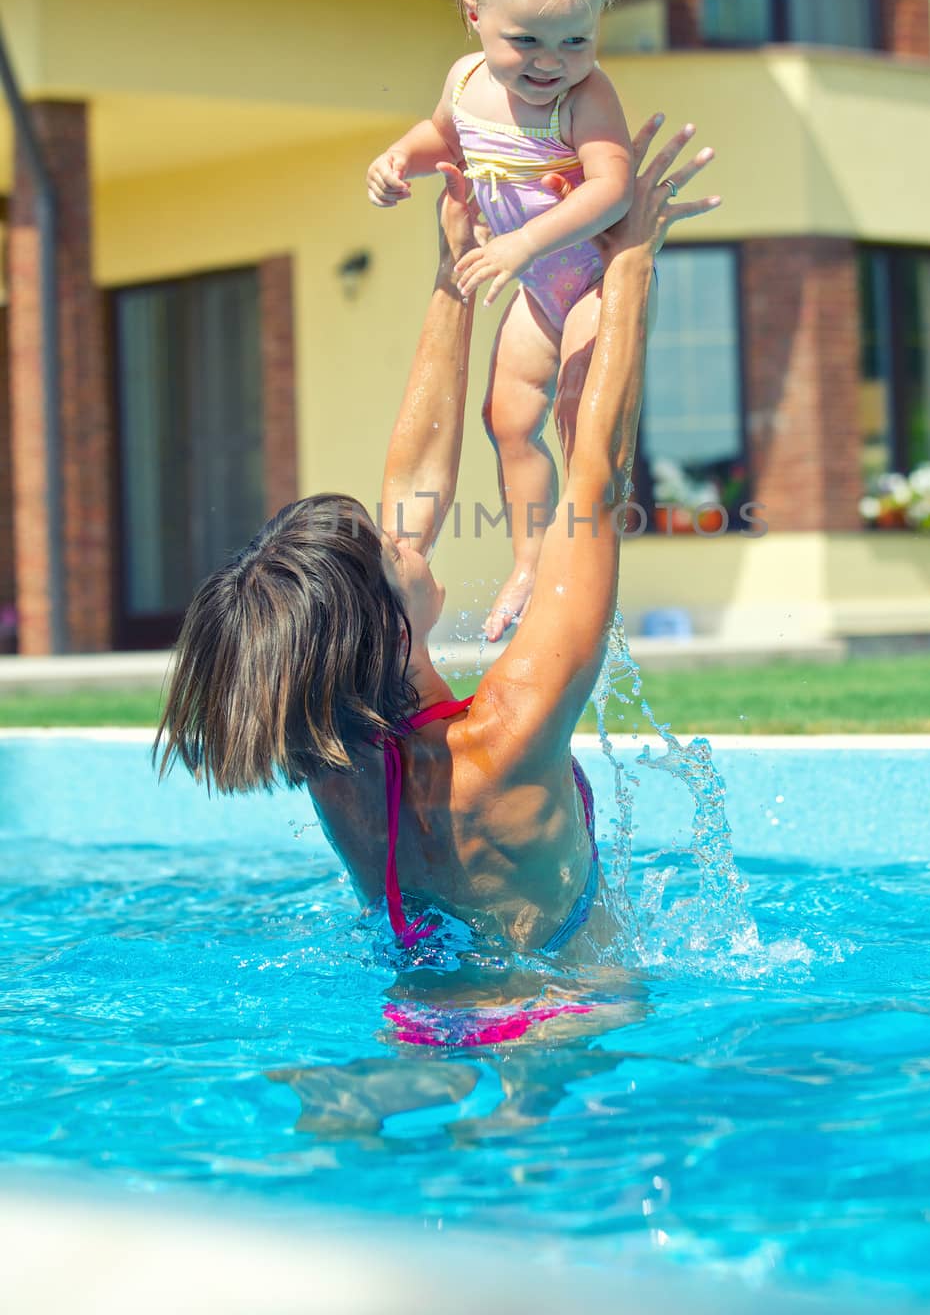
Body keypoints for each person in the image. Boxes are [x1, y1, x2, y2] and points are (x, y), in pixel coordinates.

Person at [154, 117, 718, 1048]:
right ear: (383, 622)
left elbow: (417, 476)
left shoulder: (328, 758)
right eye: (387, 546)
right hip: (562, 1015)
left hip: (414, 1017)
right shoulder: (508, 736)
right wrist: (630, 261)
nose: (404, 531)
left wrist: (453, 276)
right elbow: (593, 479)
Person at [366, 0, 635, 640]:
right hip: (538, 296)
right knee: (508, 420)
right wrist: (399, 162)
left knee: (580, 410)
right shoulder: (465, 83)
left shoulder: (586, 97)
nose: (551, 62)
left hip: (587, 279)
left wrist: (522, 245)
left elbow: (613, 188)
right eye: (527, 40)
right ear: (473, 15)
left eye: (575, 39)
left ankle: (582, 550)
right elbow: (439, 138)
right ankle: (527, 560)